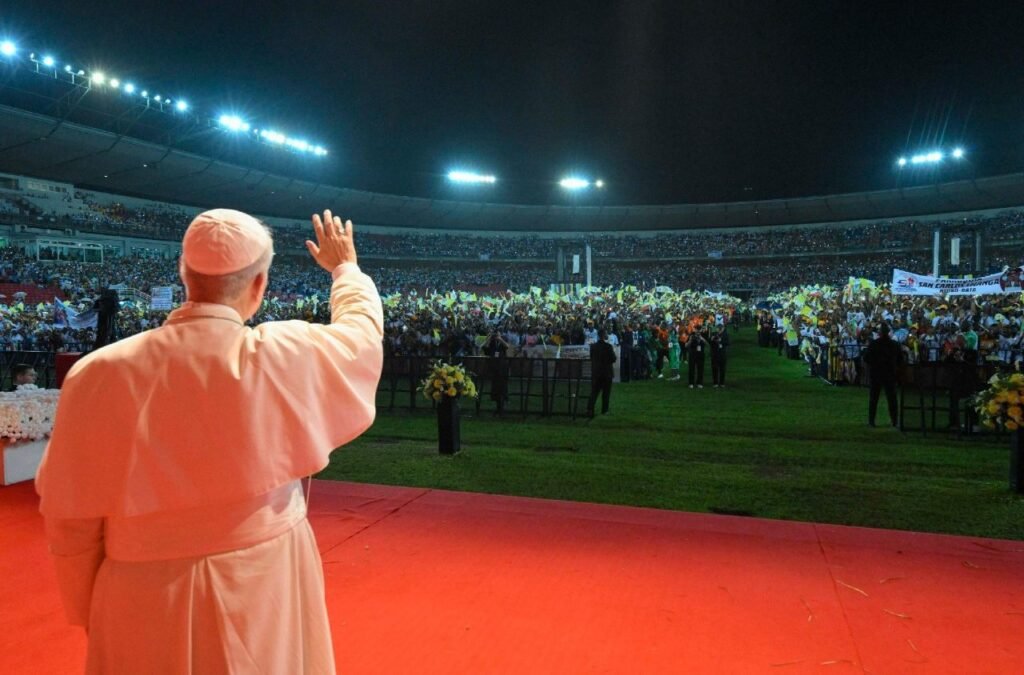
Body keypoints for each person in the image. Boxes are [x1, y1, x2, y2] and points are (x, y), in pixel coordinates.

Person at [35, 209, 383, 674]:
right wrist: (345, 270)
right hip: (263, 577)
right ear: (259, 285)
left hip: (139, 588)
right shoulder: (283, 354)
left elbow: (71, 519)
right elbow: (360, 336)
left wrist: (90, 609)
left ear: (184, 274)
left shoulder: (98, 373)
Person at [863, 323, 900, 428]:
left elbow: (866, 358)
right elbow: (900, 359)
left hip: (876, 374)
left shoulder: (874, 344)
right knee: (892, 399)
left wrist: (874, 364)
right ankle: (894, 421)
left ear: (880, 333)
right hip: (889, 374)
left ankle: (871, 422)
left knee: (874, 399)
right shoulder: (895, 344)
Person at [587, 329, 616, 416]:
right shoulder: (608, 346)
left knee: (594, 392)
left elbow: (591, 357)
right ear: (604, 335)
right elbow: (613, 358)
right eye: (606, 334)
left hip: (596, 372)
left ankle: (590, 409)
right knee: (606, 393)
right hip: (606, 372)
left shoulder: (593, 347)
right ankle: (604, 410)